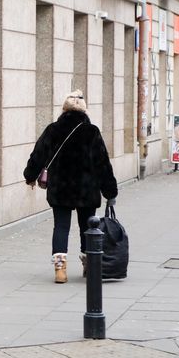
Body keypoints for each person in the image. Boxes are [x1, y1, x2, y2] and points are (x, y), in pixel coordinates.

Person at [24, 90, 118, 284]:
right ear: (84, 111)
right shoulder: (91, 132)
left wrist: (30, 176)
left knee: (61, 226)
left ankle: (60, 270)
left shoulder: (53, 130)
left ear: (64, 109)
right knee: (87, 227)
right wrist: (110, 192)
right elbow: (102, 164)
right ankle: (89, 265)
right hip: (87, 189)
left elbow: (38, 155)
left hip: (60, 188)